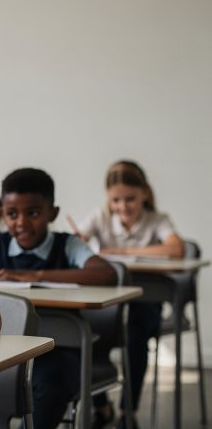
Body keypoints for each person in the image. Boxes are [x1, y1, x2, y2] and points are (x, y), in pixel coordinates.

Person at [0, 167, 116, 429]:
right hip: (5, 345)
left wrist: (35, 275)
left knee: (51, 385)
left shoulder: (66, 245)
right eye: (12, 214)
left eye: (33, 213)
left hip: (59, 349)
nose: (21, 222)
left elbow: (106, 273)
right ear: (3, 214)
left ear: (52, 213)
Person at [76, 160, 184, 428]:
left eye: (130, 199)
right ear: (108, 198)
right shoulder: (99, 216)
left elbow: (176, 249)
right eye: (116, 200)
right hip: (110, 299)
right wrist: (77, 240)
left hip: (144, 300)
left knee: (137, 338)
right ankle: (102, 406)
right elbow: (75, 245)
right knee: (89, 334)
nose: (123, 206)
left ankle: (129, 410)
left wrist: (118, 252)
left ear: (144, 194)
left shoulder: (157, 220)